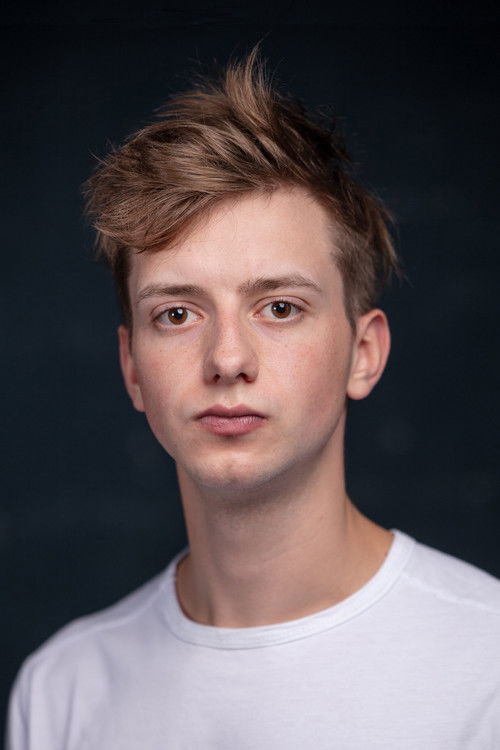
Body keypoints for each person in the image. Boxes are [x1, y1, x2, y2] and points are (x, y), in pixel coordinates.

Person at [6, 48, 500, 749]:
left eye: (280, 308)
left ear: (363, 354)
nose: (228, 359)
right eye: (178, 314)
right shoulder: (63, 691)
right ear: (132, 369)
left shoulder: (485, 667)